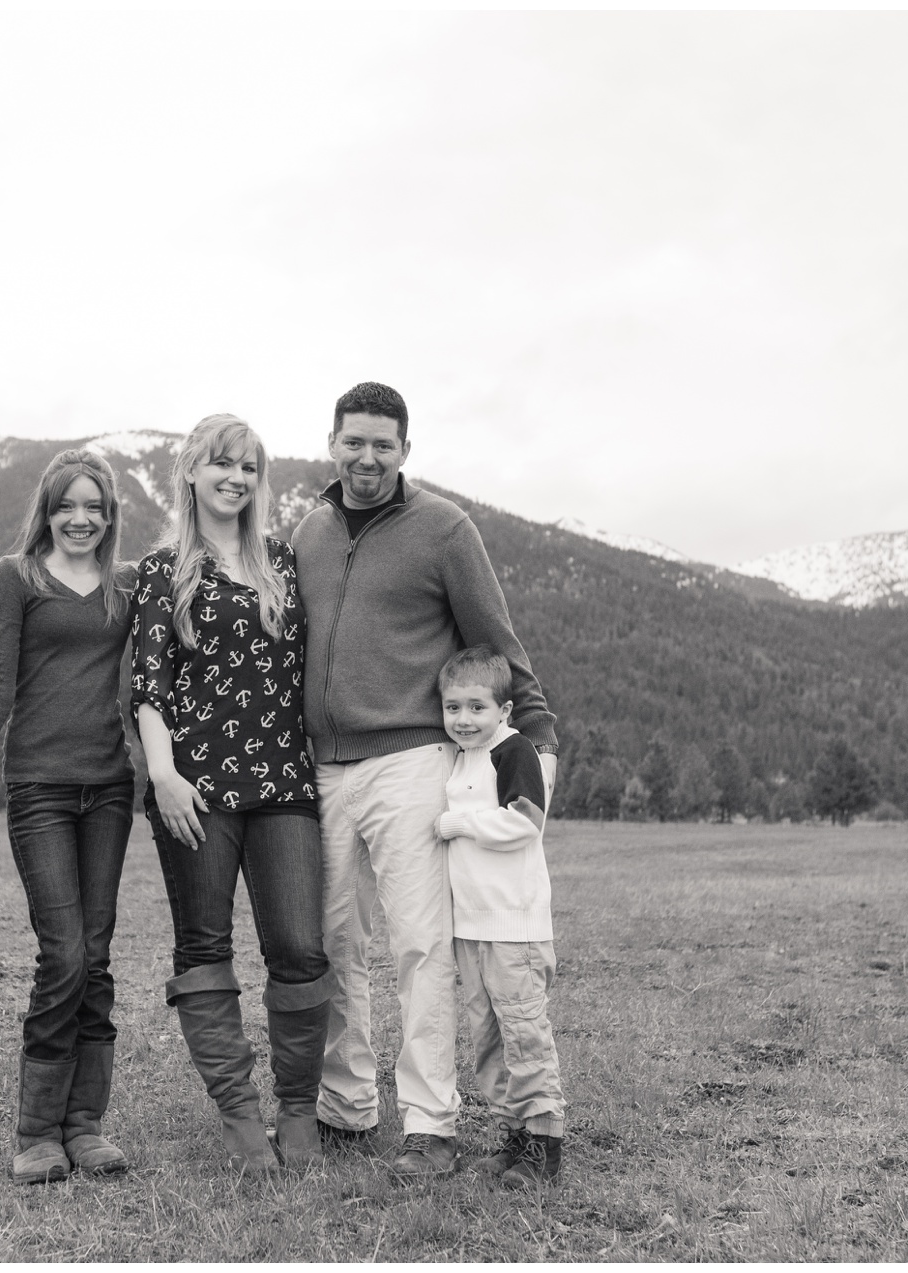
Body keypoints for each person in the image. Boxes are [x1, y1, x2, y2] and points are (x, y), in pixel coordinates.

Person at [289, 381, 559, 1181]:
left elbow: (498, 645)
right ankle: (346, 1107)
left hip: (411, 761)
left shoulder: (445, 529)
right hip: (321, 768)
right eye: (353, 441)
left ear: (405, 450)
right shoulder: (307, 531)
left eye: (383, 443)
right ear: (331, 443)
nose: (366, 456)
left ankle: (431, 1125)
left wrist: (536, 741)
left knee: (417, 946)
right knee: (333, 943)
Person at [132, 413, 335, 1174]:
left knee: (298, 946)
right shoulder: (161, 570)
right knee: (204, 946)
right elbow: (149, 686)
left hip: (283, 781)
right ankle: (242, 1117)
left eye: (249, 467)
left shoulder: (281, 561)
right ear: (190, 471)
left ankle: (297, 1110)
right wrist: (163, 774)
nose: (235, 478)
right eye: (221, 464)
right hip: (195, 789)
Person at [0, 448, 138, 1186]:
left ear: (110, 514)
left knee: (99, 953)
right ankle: (35, 1132)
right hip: (41, 792)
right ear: (46, 511)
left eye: (94, 506)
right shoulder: (14, 577)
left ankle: (84, 1125)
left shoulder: (127, 585)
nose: (80, 519)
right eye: (67, 506)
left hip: (110, 790)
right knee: (64, 954)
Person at [435, 646, 565, 1188]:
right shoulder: (461, 756)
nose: (464, 719)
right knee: (486, 1035)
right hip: (471, 924)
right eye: (453, 708)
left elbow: (525, 823)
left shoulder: (512, 752)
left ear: (504, 712)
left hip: (513, 924)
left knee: (522, 1030)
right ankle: (513, 1135)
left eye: (476, 708)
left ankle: (544, 1142)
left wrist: (460, 823)